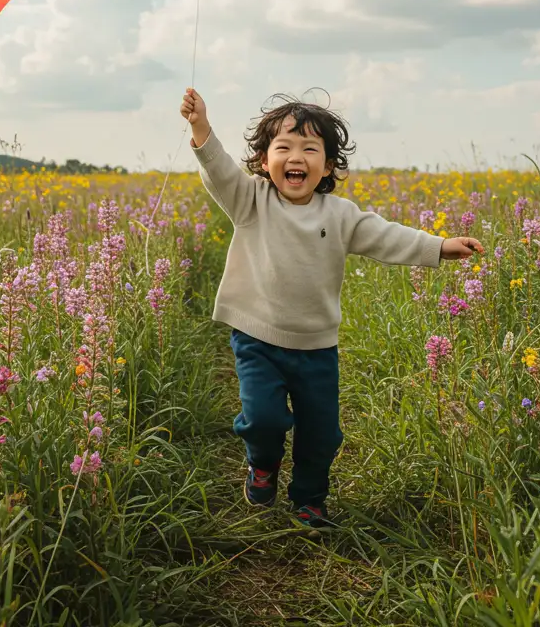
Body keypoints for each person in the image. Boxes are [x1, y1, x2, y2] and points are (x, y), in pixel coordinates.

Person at [179, 87, 483, 530]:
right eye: (282, 147)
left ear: (328, 165)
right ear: (265, 161)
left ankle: (309, 500)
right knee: (263, 418)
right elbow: (219, 171)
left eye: (309, 148)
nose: (295, 156)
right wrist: (200, 126)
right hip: (257, 338)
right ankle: (262, 464)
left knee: (321, 434)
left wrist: (439, 246)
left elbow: (388, 236)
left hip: (316, 347)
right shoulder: (250, 202)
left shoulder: (340, 215)